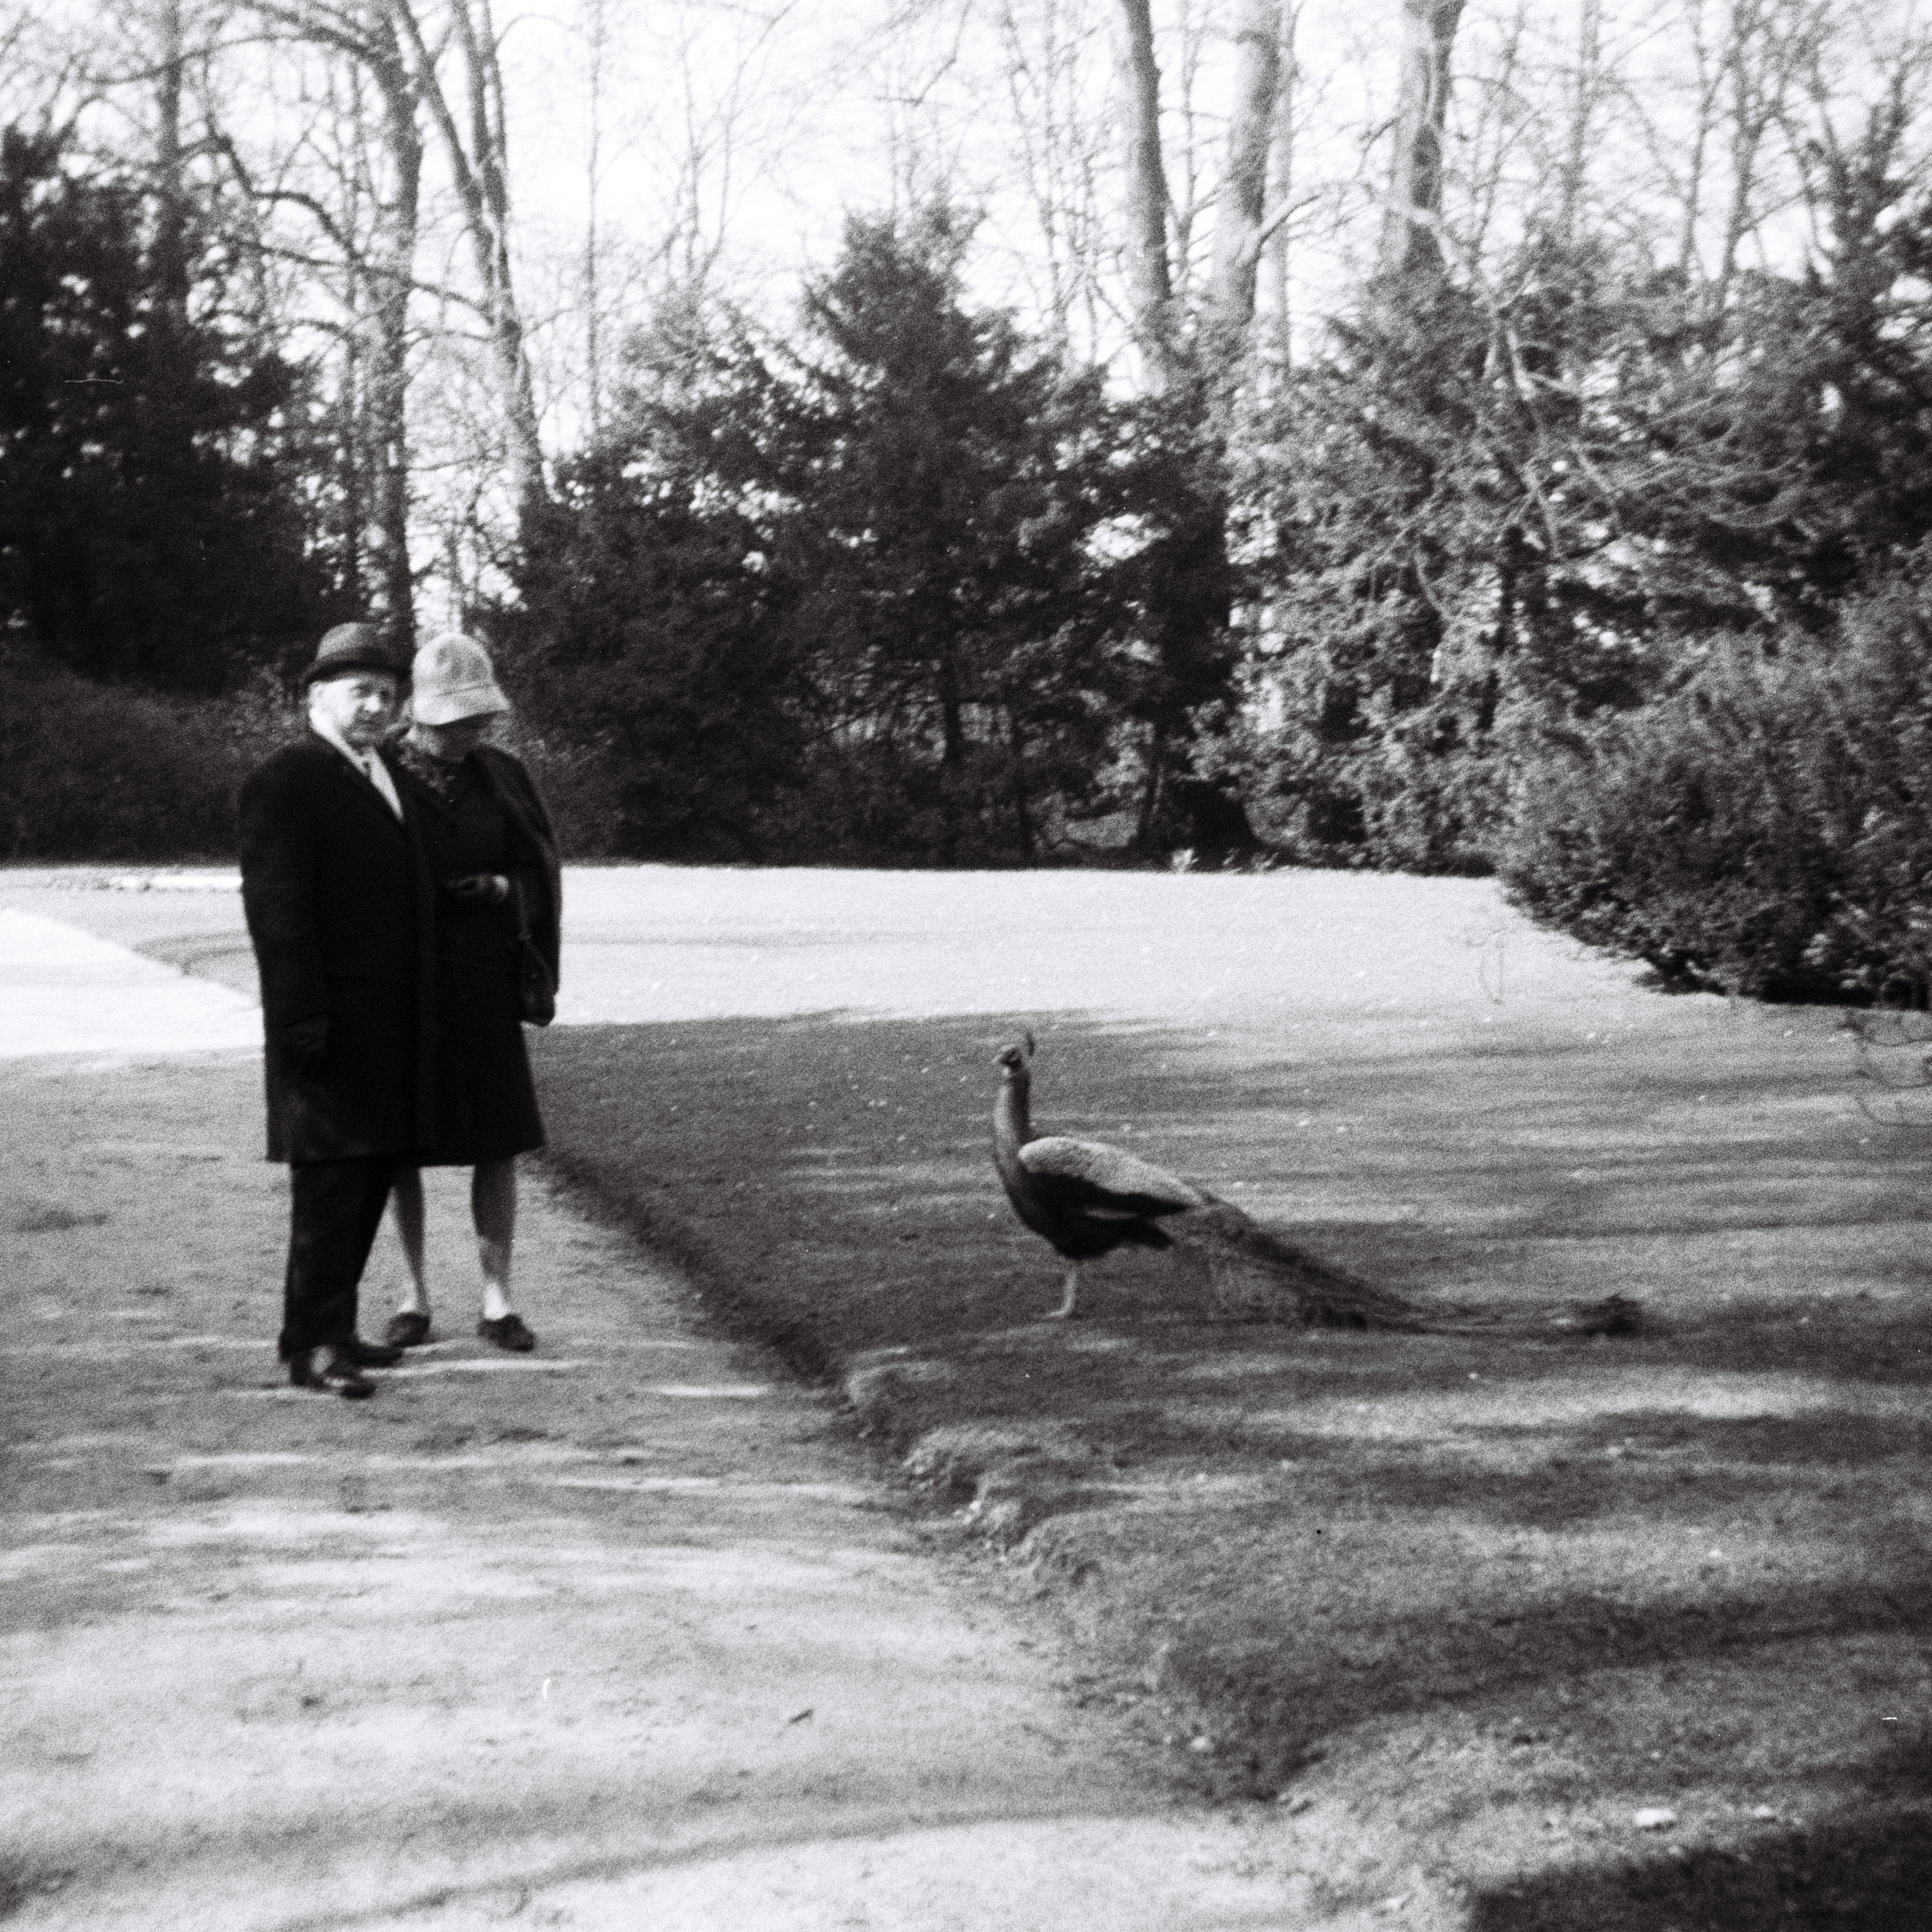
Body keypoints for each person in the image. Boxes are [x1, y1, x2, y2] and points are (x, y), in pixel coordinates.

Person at [238, 622, 434, 1400]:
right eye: (360, 690)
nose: (376, 705)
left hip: (388, 1024)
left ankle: (335, 1327)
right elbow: (279, 910)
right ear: (316, 695)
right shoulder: (286, 779)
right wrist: (301, 1019)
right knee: (328, 1189)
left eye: (387, 693)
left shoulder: (385, 771)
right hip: (323, 1025)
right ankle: (310, 1349)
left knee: (371, 1174)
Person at [380, 632, 561, 1355]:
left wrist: (501, 888)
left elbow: (538, 871)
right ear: (421, 713)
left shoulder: (504, 775)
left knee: (497, 1141)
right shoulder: (375, 770)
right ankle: (412, 1296)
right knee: (398, 1142)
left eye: (479, 719)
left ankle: (497, 1299)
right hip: (402, 981)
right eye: (459, 720)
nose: (474, 731)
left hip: (482, 977)